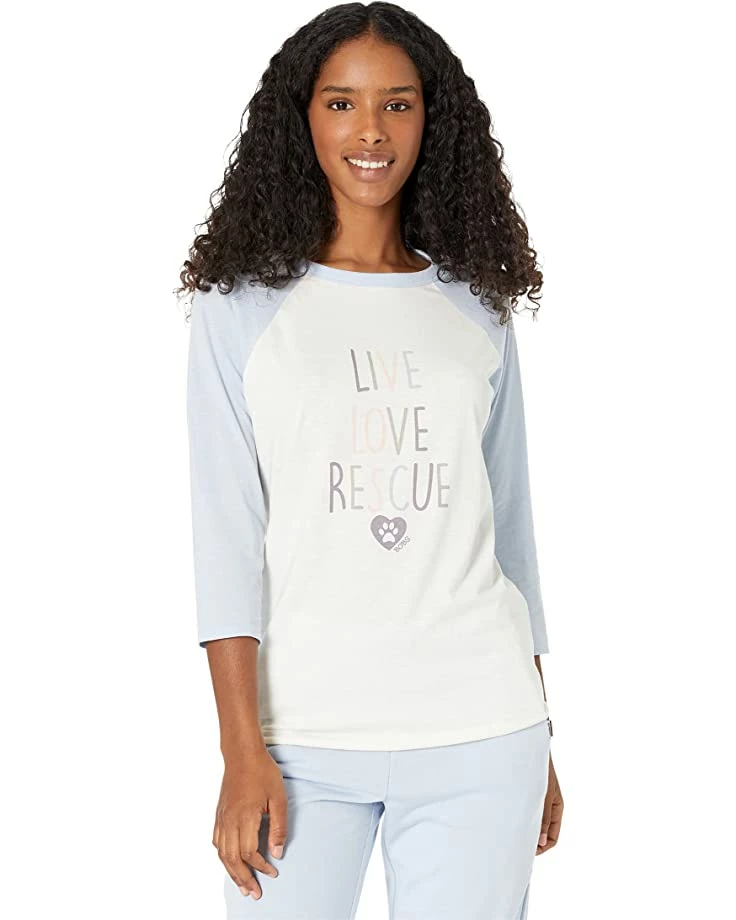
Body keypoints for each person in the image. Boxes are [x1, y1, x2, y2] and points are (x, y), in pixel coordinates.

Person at [177, 3, 564, 917]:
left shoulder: (476, 303)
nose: (371, 132)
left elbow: (509, 531)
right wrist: (240, 750)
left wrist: (544, 734)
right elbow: (226, 539)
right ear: (301, 117)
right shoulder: (240, 308)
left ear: (433, 120)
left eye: (398, 103)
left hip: (483, 728)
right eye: (341, 102)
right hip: (299, 741)